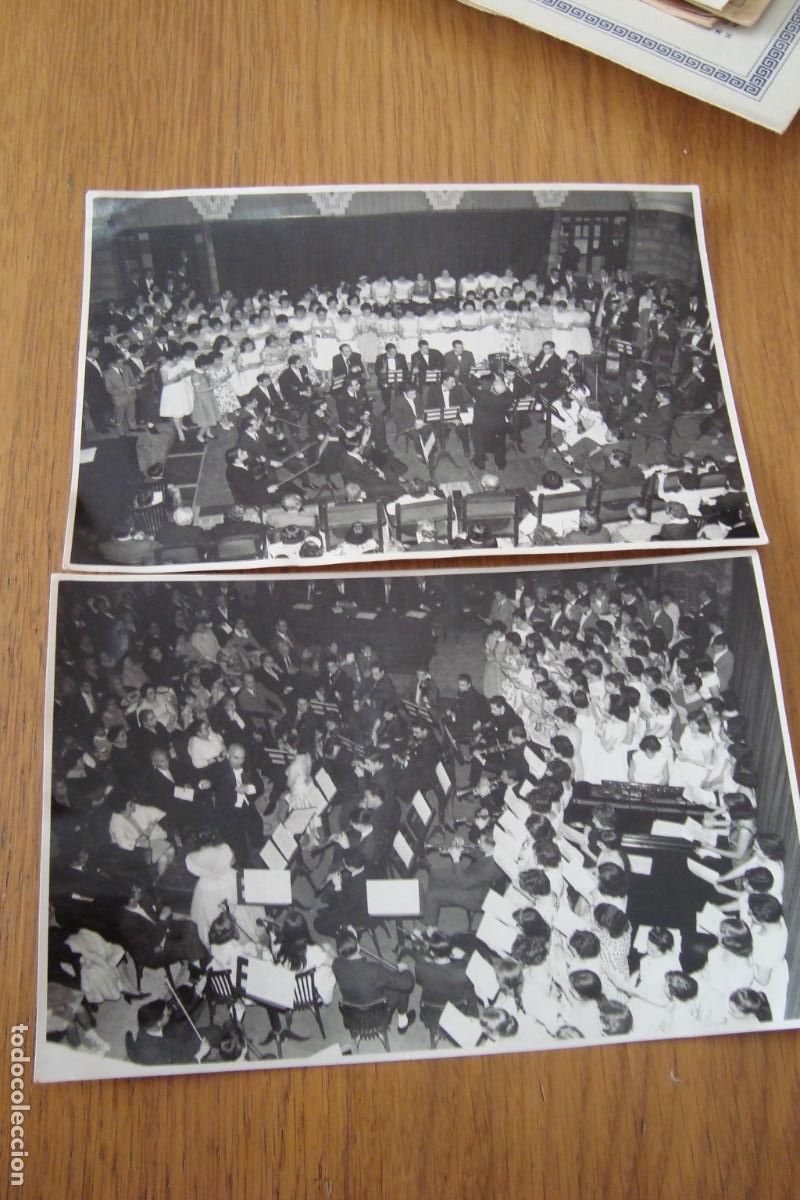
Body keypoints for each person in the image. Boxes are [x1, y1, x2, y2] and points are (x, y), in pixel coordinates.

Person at [332, 927, 416, 1035]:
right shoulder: (375, 970)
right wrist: (405, 970)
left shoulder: (336, 964)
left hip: (353, 1015)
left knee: (382, 983)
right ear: (358, 947)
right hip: (378, 1015)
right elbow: (408, 983)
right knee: (401, 987)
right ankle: (402, 1023)